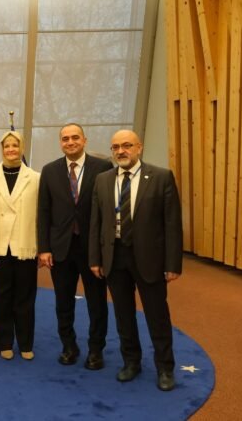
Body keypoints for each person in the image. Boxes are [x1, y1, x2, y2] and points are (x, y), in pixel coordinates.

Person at [89, 129, 183, 391]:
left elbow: (172, 224)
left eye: (127, 145)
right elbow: (96, 223)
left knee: (157, 315)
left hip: (149, 258)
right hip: (114, 256)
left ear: (139, 147)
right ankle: (131, 362)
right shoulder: (103, 180)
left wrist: (172, 264)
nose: (121, 151)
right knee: (123, 314)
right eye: (116, 147)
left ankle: (165, 368)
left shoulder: (161, 177)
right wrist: (95, 258)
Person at [37, 123, 112, 369]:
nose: (70, 142)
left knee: (97, 302)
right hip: (61, 248)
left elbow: (107, 210)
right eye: (65, 139)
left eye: (75, 138)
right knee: (63, 302)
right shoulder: (49, 171)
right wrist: (44, 248)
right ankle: (69, 346)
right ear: (60, 143)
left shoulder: (102, 167)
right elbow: (43, 211)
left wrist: (104, 249)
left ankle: (96, 350)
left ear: (84, 140)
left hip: (93, 249)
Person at [0, 131, 40, 361]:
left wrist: (42, 246)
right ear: (1, 149)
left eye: (15, 145)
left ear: (22, 148)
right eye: (7, 146)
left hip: (25, 244)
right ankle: (4, 341)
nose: (11, 149)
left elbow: (40, 214)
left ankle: (25, 343)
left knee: (25, 297)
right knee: (2, 295)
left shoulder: (35, 177)